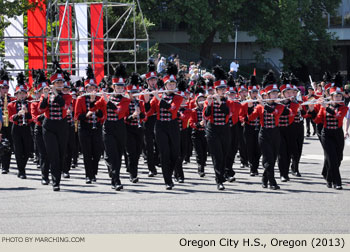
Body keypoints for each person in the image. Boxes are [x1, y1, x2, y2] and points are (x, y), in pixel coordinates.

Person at [90, 63, 130, 191]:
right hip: (108, 127)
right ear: (113, 87)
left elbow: (119, 111)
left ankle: (114, 177)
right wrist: (92, 99)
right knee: (113, 155)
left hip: (120, 127)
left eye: (121, 87)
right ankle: (116, 180)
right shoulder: (105, 98)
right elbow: (93, 108)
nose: (119, 89)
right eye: (117, 87)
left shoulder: (126, 99)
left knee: (118, 155)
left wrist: (107, 101)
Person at [146, 62, 183, 190]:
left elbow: (172, 110)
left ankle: (171, 172)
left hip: (173, 126)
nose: (172, 86)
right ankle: (167, 180)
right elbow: (149, 111)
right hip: (160, 126)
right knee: (164, 153)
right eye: (170, 84)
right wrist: (145, 100)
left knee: (175, 153)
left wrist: (158, 98)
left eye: (174, 84)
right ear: (165, 85)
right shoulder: (158, 96)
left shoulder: (178, 97)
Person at [247, 70, 286, 190]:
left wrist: (265, 106)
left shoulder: (280, 106)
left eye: (276, 93)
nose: (275, 95)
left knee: (273, 159)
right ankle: (272, 182)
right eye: (273, 94)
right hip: (264, 134)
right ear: (267, 95)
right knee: (268, 158)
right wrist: (249, 108)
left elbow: (275, 113)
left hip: (275, 133)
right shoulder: (259, 107)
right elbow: (250, 118)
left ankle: (265, 178)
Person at [308, 73, 348, 190]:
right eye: (336, 96)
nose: (338, 98)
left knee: (338, 158)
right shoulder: (323, 107)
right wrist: (311, 111)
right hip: (326, 134)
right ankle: (337, 182)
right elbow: (317, 120)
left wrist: (327, 107)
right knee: (331, 158)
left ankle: (329, 178)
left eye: (340, 96)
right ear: (331, 97)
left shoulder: (344, 108)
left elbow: (338, 116)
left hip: (338, 134)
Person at [39, 62, 72, 191]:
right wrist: (46, 96)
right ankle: (55, 182)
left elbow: (63, 105)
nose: (60, 85)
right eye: (57, 83)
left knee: (61, 154)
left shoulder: (67, 95)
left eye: (61, 82)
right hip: (49, 126)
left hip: (62, 126)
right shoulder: (45, 95)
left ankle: (57, 177)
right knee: (53, 154)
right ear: (53, 83)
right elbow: (41, 109)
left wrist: (55, 92)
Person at [203, 66, 231, 190]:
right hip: (213, 129)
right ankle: (219, 180)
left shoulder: (229, 101)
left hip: (225, 129)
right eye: (220, 89)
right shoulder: (209, 100)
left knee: (224, 154)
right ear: (216, 90)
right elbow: (206, 115)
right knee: (217, 155)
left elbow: (227, 113)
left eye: (224, 88)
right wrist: (209, 104)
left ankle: (222, 173)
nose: (223, 91)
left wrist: (220, 101)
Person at [75, 66, 104, 184]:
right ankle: (89, 175)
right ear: (86, 89)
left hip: (96, 127)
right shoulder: (80, 99)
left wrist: (95, 109)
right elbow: (77, 116)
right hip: (85, 128)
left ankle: (94, 171)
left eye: (94, 88)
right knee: (87, 152)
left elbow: (103, 114)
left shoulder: (99, 98)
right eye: (89, 88)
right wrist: (87, 114)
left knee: (97, 152)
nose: (92, 90)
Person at [8, 73, 32, 179]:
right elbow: (10, 118)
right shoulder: (11, 104)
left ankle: (22, 167)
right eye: (19, 93)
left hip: (27, 128)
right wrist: (18, 114)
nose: (22, 95)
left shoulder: (30, 103)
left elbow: (32, 117)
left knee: (27, 150)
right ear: (16, 95)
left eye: (23, 93)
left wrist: (26, 113)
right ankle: (21, 171)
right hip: (17, 128)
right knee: (18, 150)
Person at [125, 73, 146, 183]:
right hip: (128, 129)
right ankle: (133, 174)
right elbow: (124, 118)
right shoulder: (125, 102)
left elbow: (144, 116)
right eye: (132, 93)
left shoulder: (140, 102)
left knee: (137, 152)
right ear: (128, 93)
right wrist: (132, 116)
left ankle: (132, 169)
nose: (135, 95)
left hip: (139, 129)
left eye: (136, 93)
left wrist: (140, 114)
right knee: (131, 152)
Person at [31, 70, 50, 185]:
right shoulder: (33, 103)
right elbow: (35, 118)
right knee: (43, 154)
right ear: (37, 93)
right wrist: (45, 114)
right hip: (39, 129)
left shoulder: (51, 102)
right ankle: (45, 176)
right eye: (41, 91)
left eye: (45, 91)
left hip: (50, 129)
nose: (43, 93)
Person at [141, 59, 159, 177]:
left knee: (159, 143)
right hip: (148, 121)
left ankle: (158, 160)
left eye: (154, 80)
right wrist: (147, 101)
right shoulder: (143, 93)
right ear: (147, 81)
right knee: (148, 144)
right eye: (151, 80)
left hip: (158, 120)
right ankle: (151, 168)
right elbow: (144, 109)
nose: (153, 82)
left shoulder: (161, 91)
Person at [240, 75, 261, 176]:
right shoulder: (245, 103)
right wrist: (244, 119)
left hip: (259, 128)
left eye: (256, 92)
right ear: (249, 93)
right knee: (250, 148)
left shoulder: (261, 103)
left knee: (258, 148)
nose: (255, 94)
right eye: (253, 92)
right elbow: (241, 116)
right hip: (249, 127)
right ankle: (253, 167)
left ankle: (255, 166)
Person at [189, 90, 207, 177]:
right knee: (199, 152)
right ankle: (201, 169)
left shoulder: (208, 110)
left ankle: (203, 164)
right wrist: (198, 124)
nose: (201, 102)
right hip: (196, 133)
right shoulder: (193, 111)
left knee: (204, 152)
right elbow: (191, 123)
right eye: (199, 100)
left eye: (203, 100)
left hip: (206, 133)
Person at [0, 68, 14, 174]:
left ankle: (5, 166)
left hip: (8, 125)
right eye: (3, 88)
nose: (5, 90)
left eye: (7, 87)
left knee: (7, 145)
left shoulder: (11, 99)